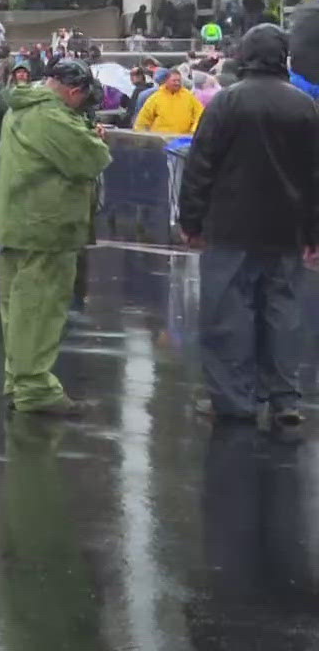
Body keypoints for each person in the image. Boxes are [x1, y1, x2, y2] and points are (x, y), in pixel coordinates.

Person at [176, 24, 319, 429]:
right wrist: (313, 233)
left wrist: (191, 220)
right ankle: (285, 396)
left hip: (232, 227)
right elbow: (313, 176)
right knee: (284, 313)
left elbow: (200, 166)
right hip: (286, 230)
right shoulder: (304, 106)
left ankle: (235, 400)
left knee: (229, 315)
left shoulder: (227, 103)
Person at [0, 60, 112, 417]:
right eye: (83, 101)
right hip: (45, 227)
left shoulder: (23, 108)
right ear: (74, 91)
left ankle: (19, 380)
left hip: (16, 223)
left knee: (17, 310)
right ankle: (35, 388)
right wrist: (93, 136)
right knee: (40, 310)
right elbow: (90, 158)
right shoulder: (50, 116)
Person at [134, 67, 203, 135]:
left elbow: (200, 114)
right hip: (160, 141)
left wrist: (193, 132)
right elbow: (143, 120)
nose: (177, 83)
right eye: (174, 80)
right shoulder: (155, 98)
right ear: (166, 81)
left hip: (182, 141)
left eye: (179, 81)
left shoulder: (189, 96)